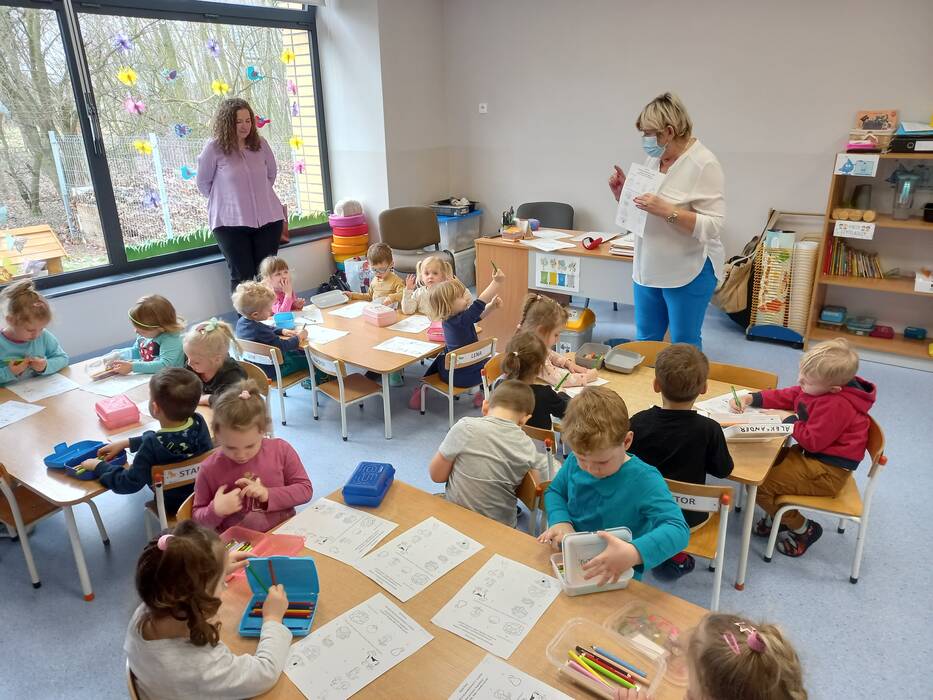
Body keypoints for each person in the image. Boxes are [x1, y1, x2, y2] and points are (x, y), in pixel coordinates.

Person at [732, 338, 875, 557]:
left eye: (806, 381)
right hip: (814, 458)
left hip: (827, 472)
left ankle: (803, 528)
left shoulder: (838, 405)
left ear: (834, 389)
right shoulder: (820, 388)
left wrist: (788, 419)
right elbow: (791, 395)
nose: (800, 381)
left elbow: (812, 441)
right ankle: (778, 517)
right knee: (762, 461)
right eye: (802, 374)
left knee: (760, 485)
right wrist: (753, 398)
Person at [607, 92, 725, 349]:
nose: (644, 140)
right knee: (646, 342)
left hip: (687, 270)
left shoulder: (703, 163)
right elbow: (646, 210)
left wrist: (667, 211)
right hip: (648, 267)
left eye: (648, 133)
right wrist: (623, 195)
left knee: (684, 346)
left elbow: (714, 226)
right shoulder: (654, 158)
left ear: (669, 131)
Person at [537, 387, 689, 584]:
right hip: (573, 558)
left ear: (626, 441)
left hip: (618, 571)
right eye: (582, 459)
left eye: (602, 462)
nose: (590, 469)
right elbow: (555, 491)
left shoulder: (645, 479)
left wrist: (634, 552)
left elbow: (678, 529)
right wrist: (560, 521)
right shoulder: (574, 460)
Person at [125, 521, 292, 699]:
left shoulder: (147, 610)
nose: (225, 587)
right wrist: (273, 618)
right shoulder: (200, 667)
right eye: (220, 583)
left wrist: (216, 568)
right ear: (198, 598)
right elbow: (265, 673)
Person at [629, 344, 733, 578]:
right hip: (690, 516)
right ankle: (676, 555)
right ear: (704, 388)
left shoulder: (638, 422)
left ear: (656, 385)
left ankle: (656, 547)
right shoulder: (709, 429)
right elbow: (723, 470)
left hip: (644, 511)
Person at [80, 368, 213, 514]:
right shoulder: (198, 421)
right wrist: (128, 442)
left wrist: (99, 466)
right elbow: (174, 438)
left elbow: (128, 483)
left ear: (155, 408)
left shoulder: (151, 444)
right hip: (205, 497)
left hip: (172, 507)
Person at [192, 380, 312, 532]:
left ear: (263, 431)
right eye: (230, 447)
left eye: (250, 446)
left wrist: (268, 494)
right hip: (237, 543)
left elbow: (305, 490)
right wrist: (215, 510)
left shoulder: (281, 450)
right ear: (217, 436)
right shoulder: (209, 469)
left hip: (282, 532)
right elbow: (197, 521)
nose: (241, 455)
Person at [429, 380, 549, 528]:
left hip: (456, 518)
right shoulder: (528, 446)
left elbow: (436, 476)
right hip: (501, 528)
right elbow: (533, 491)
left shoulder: (465, 427)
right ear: (525, 419)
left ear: (485, 406)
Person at [197, 97, 285, 292]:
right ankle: (246, 314)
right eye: (238, 121)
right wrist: (230, 198)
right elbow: (203, 184)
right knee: (242, 278)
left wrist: (257, 196)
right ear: (227, 123)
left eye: (248, 120)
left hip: (269, 221)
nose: (245, 126)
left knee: (267, 276)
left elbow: (271, 174)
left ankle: (270, 312)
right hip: (229, 225)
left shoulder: (260, 144)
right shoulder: (214, 148)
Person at [415, 271, 504, 410]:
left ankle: (422, 387)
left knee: (441, 359)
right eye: (460, 297)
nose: (466, 298)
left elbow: (478, 313)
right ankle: (480, 393)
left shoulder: (454, 320)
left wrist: (492, 305)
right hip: (481, 374)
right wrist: (496, 283)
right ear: (448, 304)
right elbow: (479, 304)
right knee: (447, 357)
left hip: (459, 378)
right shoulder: (461, 320)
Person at [518, 293, 597, 389]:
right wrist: (587, 377)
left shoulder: (529, 340)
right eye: (556, 334)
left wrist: (567, 363)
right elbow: (560, 380)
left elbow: (548, 353)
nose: (558, 339)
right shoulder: (532, 354)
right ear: (541, 330)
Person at [233, 281, 309, 380]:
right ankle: (320, 379)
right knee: (310, 358)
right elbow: (283, 346)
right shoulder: (259, 331)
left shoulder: (242, 323)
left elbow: (265, 328)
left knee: (298, 352)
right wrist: (299, 337)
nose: (271, 311)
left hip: (258, 367)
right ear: (255, 314)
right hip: (275, 370)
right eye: (269, 309)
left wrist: (281, 331)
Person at [0, 280, 68, 385]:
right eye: (30, 330)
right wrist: (9, 372)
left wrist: (45, 366)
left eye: (41, 328)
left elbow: (63, 358)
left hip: (37, 390)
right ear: (11, 321)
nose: (36, 335)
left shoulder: (44, 336)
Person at [501, 331, 569, 430]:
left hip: (509, 439)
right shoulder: (545, 394)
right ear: (540, 367)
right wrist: (562, 394)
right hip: (539, 440)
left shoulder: (500, 388)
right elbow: (567, 412)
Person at [110, 295, 185, 375]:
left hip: (171, 377)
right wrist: (118, 356)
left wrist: (133, 367)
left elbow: (165, 365)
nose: (136, 332)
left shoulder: (171, 339)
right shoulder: (144, 335)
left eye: (142, 331)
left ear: (161, 328)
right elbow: (137, 351)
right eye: (136, 328)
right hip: (150, 375)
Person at [183, 319, 246, 406]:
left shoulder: (232, 374)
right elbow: (181, 383)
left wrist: (207, 399)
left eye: (196, 362)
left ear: (216, 359)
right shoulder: (192, 366)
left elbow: (233, 401)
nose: (189, 363)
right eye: (187, 357)